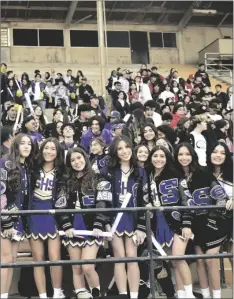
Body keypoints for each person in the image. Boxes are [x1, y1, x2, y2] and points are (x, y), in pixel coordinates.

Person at [174, 143, 231, 299]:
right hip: (195, 224)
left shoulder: (203, 172)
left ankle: (217, 296)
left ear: (193, 156)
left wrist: (226, 204)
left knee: (211, 259)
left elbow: (220, 196)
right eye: (180, 154)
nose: (184, 157)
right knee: (199, 261)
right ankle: (206, 296)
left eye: (187, 154)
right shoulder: (174, 175)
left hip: (215, 222)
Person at [96, 136, 149, 299]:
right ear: (115, 152)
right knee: (119, 257)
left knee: (132, 257)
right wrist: (104, 223)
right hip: (114, 220)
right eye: (120, 148)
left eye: (127, 147)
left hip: (133, 219)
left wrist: (141, 227)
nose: (124, 151)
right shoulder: (107, 172)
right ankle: (123, 295)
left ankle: (134, 295)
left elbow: (144, 201)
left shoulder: (140, 171)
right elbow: (102, 199)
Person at [61, 147, 105, 298]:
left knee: (87, 266)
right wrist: (66, 225)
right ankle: (82, 294)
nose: (76, 162)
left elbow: (103, 203)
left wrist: (98, 224)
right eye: (72, 160)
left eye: (79, 158)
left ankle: (96, 293)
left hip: (92, 228)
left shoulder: (98, 178)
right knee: (77, 268)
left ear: (85, 158)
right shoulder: (65, 181)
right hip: (72, 228)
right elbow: (60, 206)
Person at [147, 146, 190, 298]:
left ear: (167, 158)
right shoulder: (147, 174)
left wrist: (187, 224)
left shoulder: (175, 173)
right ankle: (180, 293)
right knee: (172, 262)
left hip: (176, 222)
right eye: (155, 156)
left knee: (177, 259)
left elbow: (186, 200)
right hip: (157, 223)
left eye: (162, 156)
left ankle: (187, 294)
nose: (158, 159)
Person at [27, 138, 66, 299]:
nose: (49, 152)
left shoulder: (62, 172)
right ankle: (42, 295)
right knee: (38, 258)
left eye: (53, 149)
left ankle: (57, 293)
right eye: (46, 148)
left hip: (53, 215)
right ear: (42, 149)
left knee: (55, 257)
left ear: (58, 152)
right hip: (34, 214)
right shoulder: (32, 168)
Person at [1, 133, 35, 299]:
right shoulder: (4, 162)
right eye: (22, 143)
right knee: (6, 260)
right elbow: (1, 193)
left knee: (11, 260)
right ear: (15, 145)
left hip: (18, 220)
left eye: (29, 143)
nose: (26, 146)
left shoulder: (26, 167)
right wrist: (6, 221)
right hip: (5, 220)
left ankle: (5, 294)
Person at [207, 142, 233, 270]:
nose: (218, 155)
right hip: (211, 221)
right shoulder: (203, 173)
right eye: (215, 152)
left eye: (222, 153)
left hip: (231, 219)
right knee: (210, 258)